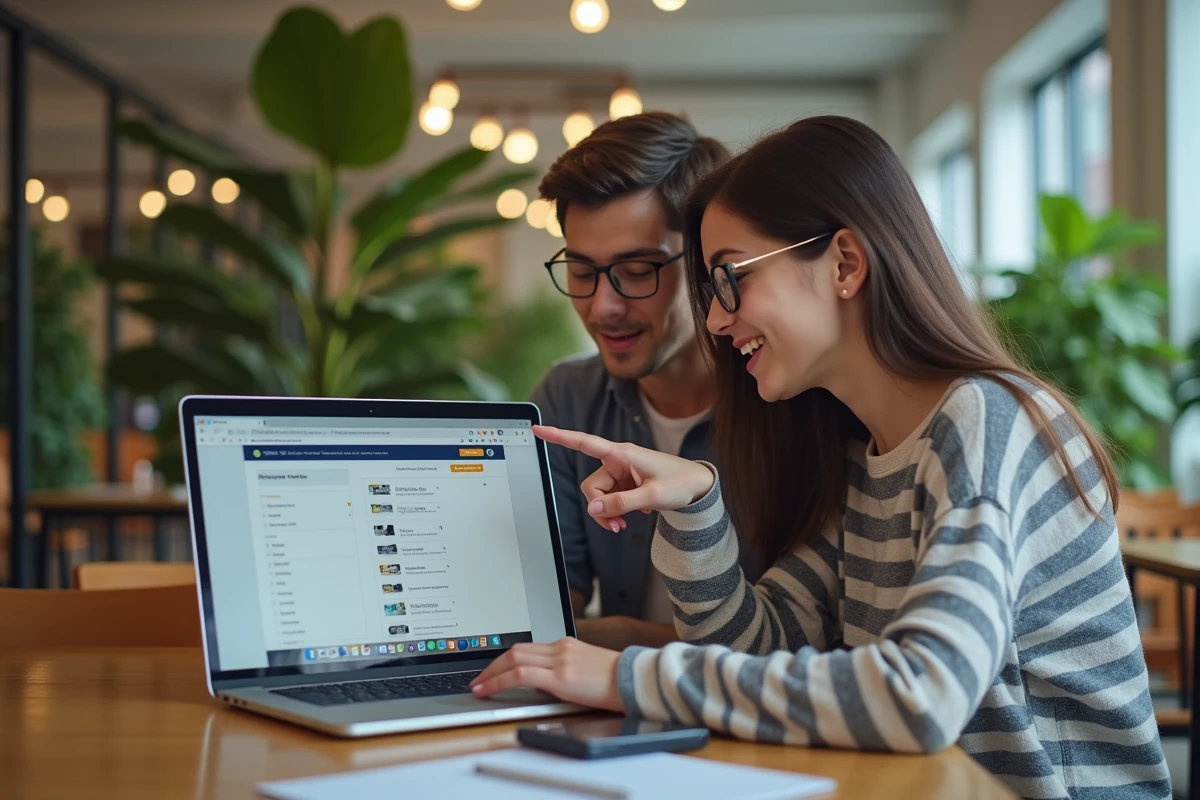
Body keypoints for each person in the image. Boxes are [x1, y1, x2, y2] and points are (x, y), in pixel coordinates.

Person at [473, 116, 1171, 799]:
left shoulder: (984, 422)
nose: (715, 318)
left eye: (730, 278)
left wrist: (624, 676)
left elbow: (922, 694)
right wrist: (695, 505)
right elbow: (756, 648)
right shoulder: (871, 458)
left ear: (844, 263)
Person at [531, 111, 760, 650]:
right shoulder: (566, 399)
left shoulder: (785, 400)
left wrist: (626, 637)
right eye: (581, 272)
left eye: (637, 271)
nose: (602, 307)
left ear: (706, 264)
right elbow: (546, 610)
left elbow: (804, 638)